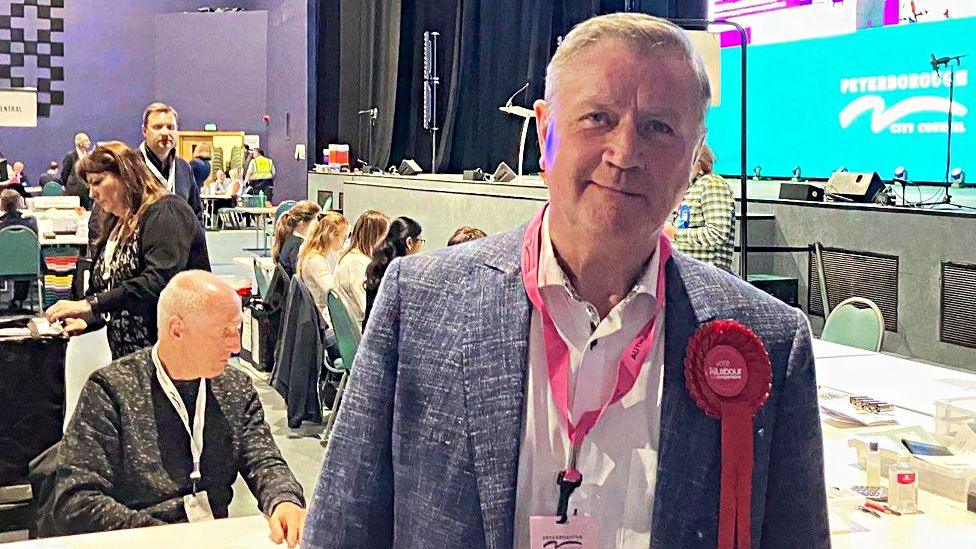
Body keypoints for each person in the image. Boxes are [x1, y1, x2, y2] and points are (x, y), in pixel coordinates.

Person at [302, 13, 828, 549]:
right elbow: (342, 530)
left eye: (659, 127)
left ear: (695, 157)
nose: (624, 153)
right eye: (598, 117)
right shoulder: (419, 303)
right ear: (546, 129)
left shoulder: (767, 343)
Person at [50, 271, 306, 546]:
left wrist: (284, 500)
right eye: (224, 332)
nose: (235, 346)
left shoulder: (235, 388)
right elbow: (75, 500)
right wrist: (167, 536)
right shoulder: (111, 391)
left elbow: (264, 460)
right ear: (176, 330)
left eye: (238, 330)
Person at [45, 142, 211, 359]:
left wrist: (91, 305)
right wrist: (88, 319)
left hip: (175, 354)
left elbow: (158, 281)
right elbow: (112, 289)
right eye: (89, 186)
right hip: (132, 359)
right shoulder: (116, 222)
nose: (92, 194)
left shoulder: (166, 212)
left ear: (126, 176)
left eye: (97, 182)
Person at [664, 144, 735, 272]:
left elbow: (717, 233)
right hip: (689, 272)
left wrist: (675, 233)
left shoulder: (713, 185)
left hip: (710, 274)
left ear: (699, 160)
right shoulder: (692, 186)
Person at [138, 103, 204, 223]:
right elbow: (103, 220)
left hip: (178, 241)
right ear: (144, 131)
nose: (165, 133)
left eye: (170, 127)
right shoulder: (129, 166)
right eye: (157, 127)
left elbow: (196, 215)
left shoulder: (183, 168)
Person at [362, 216, 423, 328]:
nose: (421, 247)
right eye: (420, 241)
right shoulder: (404, 273)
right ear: (409, 242)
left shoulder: (376, 266)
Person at [332, 209, 389, 328]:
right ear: (375, 236)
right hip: (356, 331)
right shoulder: (357, 263)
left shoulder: (352, 256)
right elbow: (367, 307)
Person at [296, 211, 350, 323]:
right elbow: (334, 294)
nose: (344, 243)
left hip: (315, 317)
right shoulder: (316, 260)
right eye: (344, 238)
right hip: (322, 322)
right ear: (333, 235)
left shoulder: (311, 251)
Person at [0, 189, 38, 310]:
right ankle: (18, 299)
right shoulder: (31, 224)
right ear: (19, 203)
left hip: (2, 267)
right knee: (25, 257)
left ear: (2, 205)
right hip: (27, 268)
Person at [272, 200, 321, 278]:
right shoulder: (298, 245)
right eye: (316, 220)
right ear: (302, 222)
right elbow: (300, 275)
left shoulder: (290, 239)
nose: (319, 225)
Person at [61, 132, 93, 208]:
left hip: (86, 192)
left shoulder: (89, 156)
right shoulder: (70, 156)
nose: (89, 143)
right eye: (86, 141)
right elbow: (65, 174)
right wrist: (69, 186)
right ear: (80, 143)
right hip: (73, 192)